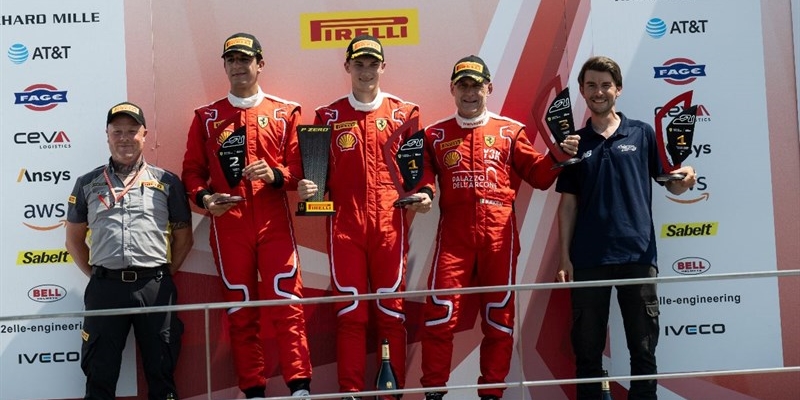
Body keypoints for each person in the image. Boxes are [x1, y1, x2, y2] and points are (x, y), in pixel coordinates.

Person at [418, 55, 580, 400]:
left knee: (498, 317)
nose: (469, 93)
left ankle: (492, 393)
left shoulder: (509, 131)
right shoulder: (434, 134)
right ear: (452, 89)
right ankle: (433, 392)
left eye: (476, 86)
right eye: (463, 86)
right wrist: (423, 195)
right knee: (439, 313)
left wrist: (559, 155)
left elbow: (538, 176)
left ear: (488, 88)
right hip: (454, 239)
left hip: (499, 237)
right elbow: (424, 180)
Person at [297, 34, 431, 400]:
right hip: (345, 228)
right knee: (351, 313)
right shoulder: (328, 116)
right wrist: (308, 188)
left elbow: (421, 170)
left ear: (383, 67)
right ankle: (351, 393)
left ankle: (391, 395)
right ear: (347, 67)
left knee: (391, 311)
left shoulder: (405, 113)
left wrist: (426, 193)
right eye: (359, 64)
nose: (366, 71)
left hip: (390, 226)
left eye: (373, 64)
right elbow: (315, 178)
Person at [555, 55, 697, 400]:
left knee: (643, 347)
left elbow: (670, 183)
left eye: (605, 85)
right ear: (582, 91)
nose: (598, 91)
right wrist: (564, 258)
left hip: (638, 254)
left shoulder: (642, 133)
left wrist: (686, 179)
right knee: (587, 349)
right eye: (591, 85)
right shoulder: (574, 142)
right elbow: (567, 205)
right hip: (588, 259)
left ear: (618, 89)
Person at [180, 33, 312, 399]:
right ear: (224, 65)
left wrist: (275, 175)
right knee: (240, 308)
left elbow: (301, 171)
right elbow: (191, 172)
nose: (238, 66)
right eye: (231, 60)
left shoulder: (286, 112)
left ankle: (300, 387)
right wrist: (206, 199)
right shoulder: (207, 117)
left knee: (287, 301)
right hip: (229, 224)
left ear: (260, 63)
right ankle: (253, 390)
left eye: (245, 59)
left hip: (273, 222)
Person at [65, 101, 194, 400]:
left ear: (144, 134)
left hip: (155, 286)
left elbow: (184, 238)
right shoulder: (87, 183)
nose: (125, 138)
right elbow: (73, 240)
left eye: (132, 131)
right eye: (117, 131)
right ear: (107, 135)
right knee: (99, 371)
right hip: (105, 288)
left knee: (162, 368)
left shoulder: (167, 182)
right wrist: (98, 276)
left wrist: (161, 275)